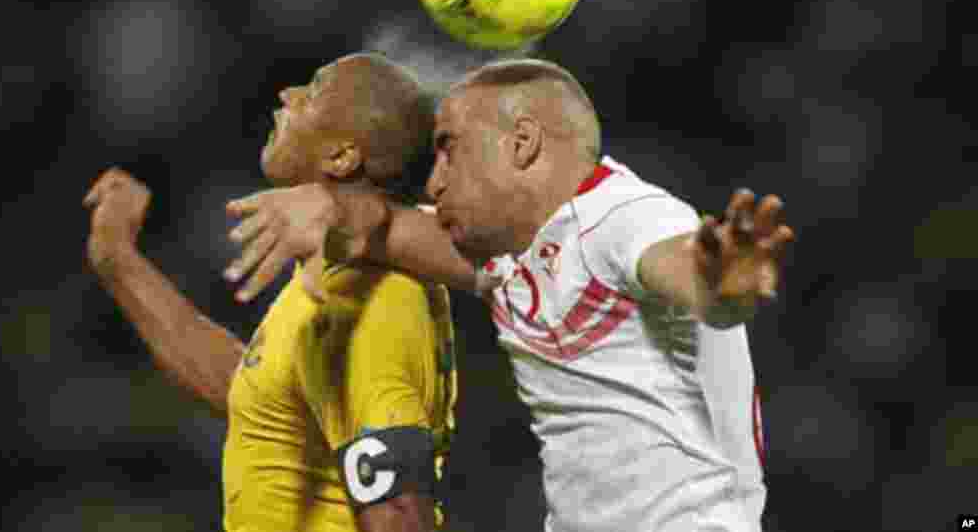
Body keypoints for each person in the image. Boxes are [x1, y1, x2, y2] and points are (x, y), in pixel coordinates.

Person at [222, 58, 795, 532]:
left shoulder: (622, 217)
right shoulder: (508, 253)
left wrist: (722, 285)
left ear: (521, 143)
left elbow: (686, 273)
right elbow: (385, 226)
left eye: (450, 149)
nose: (434, 181)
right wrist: (325, 204)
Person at [84, 52, 457, 532]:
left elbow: (403, 515)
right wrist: (118, 261)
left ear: (342, 156)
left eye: (315, 90)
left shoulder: (372, 301)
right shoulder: (339, 280)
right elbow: (254, 393)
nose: (287, 94)